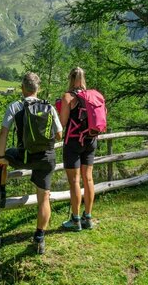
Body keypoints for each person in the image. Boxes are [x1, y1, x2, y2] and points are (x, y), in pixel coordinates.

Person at [0, 72, 62, 254]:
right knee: (44, 198)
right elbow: (59, 134)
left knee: (5, 158)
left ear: (22, 89)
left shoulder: (16, 106)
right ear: (38, 88)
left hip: (24, 157)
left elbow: (3, 133)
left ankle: (0, 192)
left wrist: (0, 157)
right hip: (46, 158)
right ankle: (40, 237)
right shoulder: (49, 107)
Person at [59, 67, 96, 231]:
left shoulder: (68, 97)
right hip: (90, 141)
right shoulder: (91, 96)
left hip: (73, 143)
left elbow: (63, 123)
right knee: (88, 179)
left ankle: (75, 220)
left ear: (70, 78)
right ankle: (88, 217)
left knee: (75, 181)